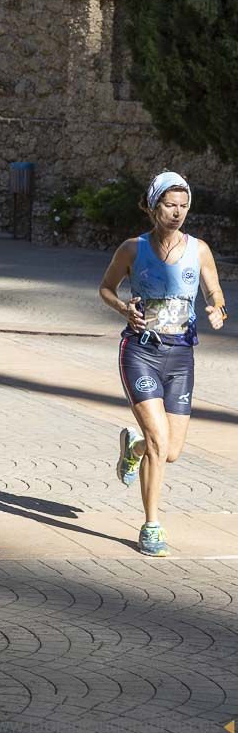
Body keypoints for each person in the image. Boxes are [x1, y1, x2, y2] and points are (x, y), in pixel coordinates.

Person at [99, 170, 226, 558]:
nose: (177, 213)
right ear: (154, 207)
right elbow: (106, 288)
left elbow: (214, 288)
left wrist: (218, 307)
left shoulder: (199, 249)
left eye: (184, 206)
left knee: (169, 451)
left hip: (181, 357)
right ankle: (151, 525)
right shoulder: (132, 249)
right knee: (160, 442)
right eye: (170, 205)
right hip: (140, 352)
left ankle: (133, 448)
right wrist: (123, 308)